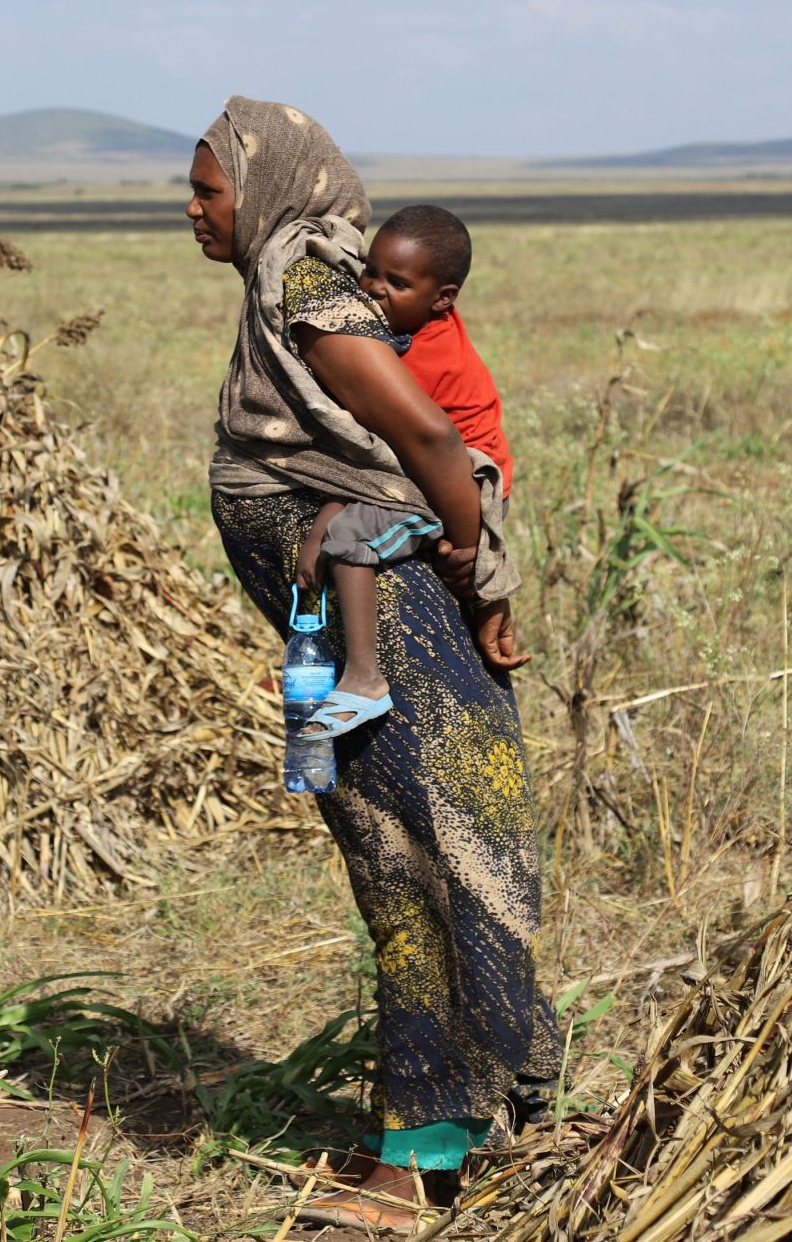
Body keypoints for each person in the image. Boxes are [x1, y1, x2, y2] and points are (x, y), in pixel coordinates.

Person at [186, 97, 560, 1231]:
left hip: (382, 616)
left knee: (420, 862)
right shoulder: (289, 282)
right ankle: (450, 1114)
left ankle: (424, 1148)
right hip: (332, 621)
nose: (193, 212)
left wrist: (476, 567)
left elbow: (433, 440)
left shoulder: (305, 276)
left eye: (207, 190)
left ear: (267, 183)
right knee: (375, 845)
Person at [293, 204, 525, 739]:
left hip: (459, 485)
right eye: (370, 270)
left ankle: (365, 680)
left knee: (350, 539)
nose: (372, 288)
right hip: (423, 469)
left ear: (442, 299)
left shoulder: (425, 356)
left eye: (395, 282)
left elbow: (396, 445)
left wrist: (330, 512)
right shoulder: (406, 321)